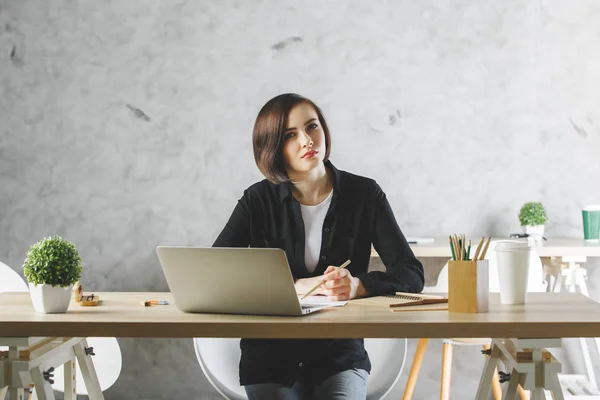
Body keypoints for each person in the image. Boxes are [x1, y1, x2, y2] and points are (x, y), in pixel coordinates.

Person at [213, 93, 424, 400]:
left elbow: (411, 273)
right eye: (290, 135)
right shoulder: (257, 200)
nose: (307, 140)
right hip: (270, 358)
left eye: (312, 127)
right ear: (273, 148)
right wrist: (296, 285)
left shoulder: (364, 194)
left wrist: (359, 286)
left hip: (339, 356)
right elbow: (215, 272)